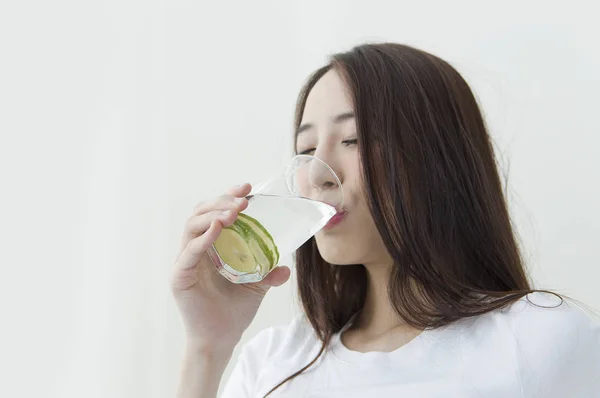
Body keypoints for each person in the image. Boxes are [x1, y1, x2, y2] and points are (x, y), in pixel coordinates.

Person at [171, 43, 600, 398]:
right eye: (305, 147)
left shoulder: (537, 340)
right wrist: (207, 347)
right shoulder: (273, 362)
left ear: (439, 161)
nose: (317, 173)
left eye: (353, 139)